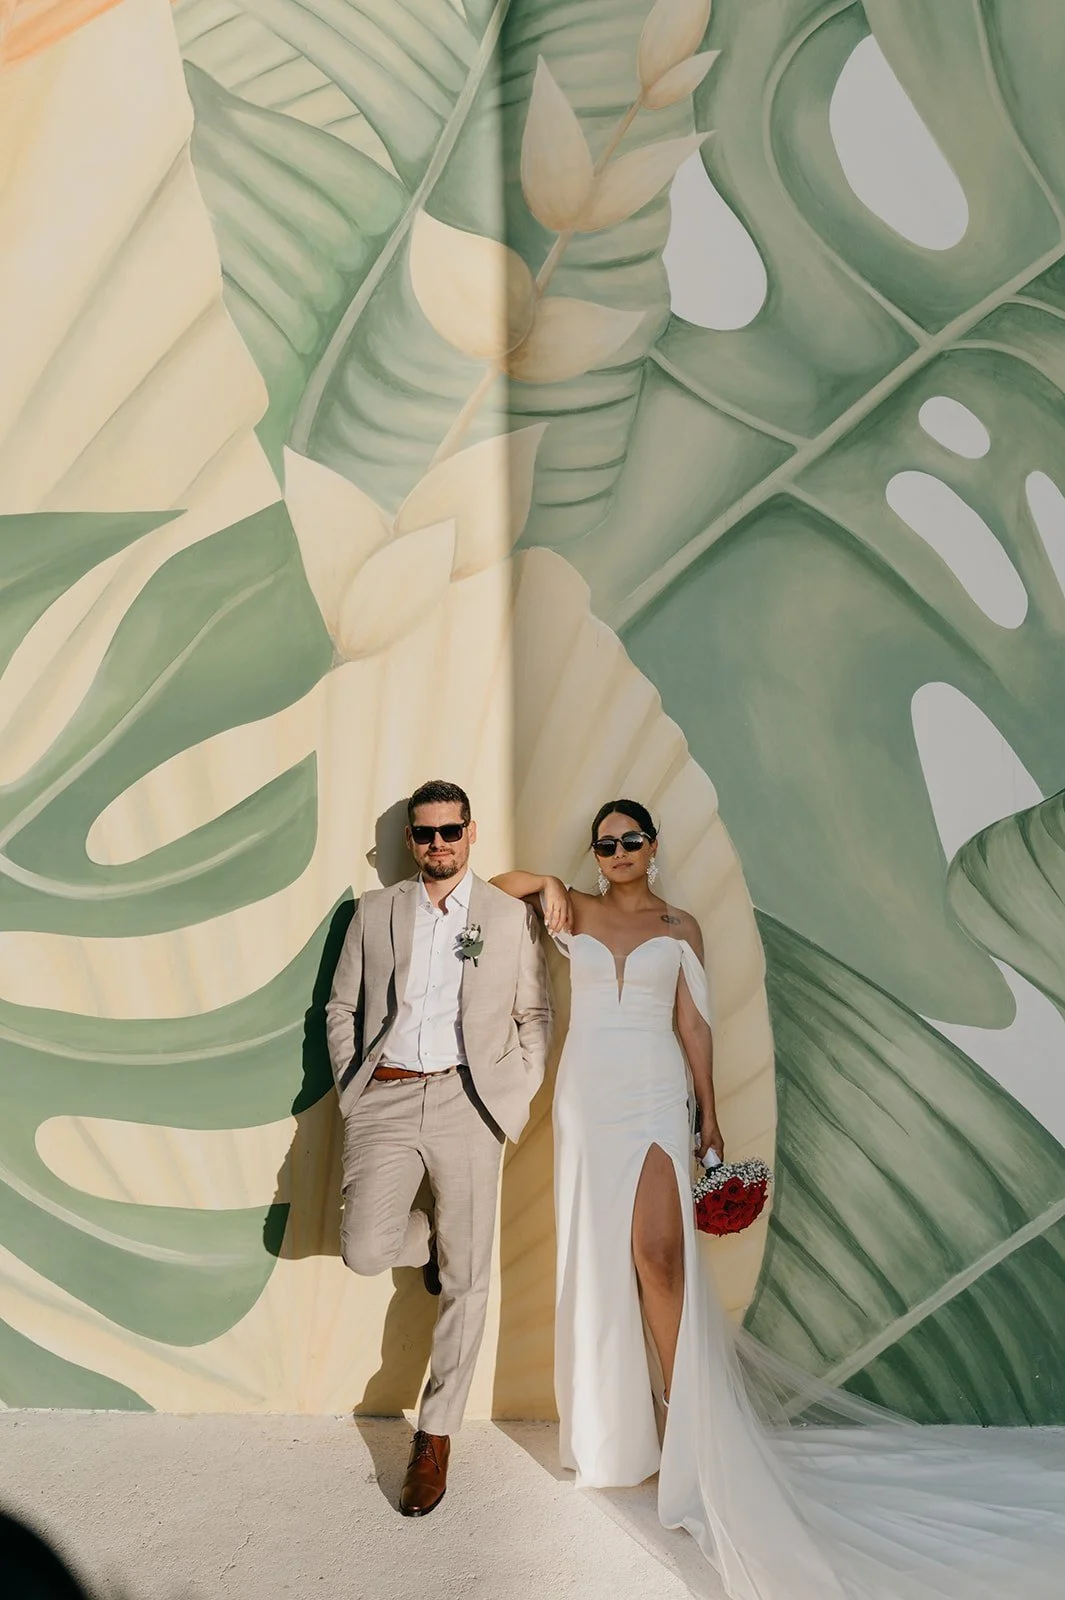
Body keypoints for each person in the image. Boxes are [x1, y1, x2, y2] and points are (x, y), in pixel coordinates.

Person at [493, 800, 1065, 1600]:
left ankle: (683, 1426)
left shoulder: (679, 925)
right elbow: (494, 889)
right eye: (605, 843)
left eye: (631, 840)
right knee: (595, 1259)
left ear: (652, 847)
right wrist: (547, 879)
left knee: (658, 1260)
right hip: (586, 1099)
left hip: (655, 1098)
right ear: (596, 855)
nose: (618, 851)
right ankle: (612, 1438)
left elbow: (694, 1028)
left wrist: (711, 1117)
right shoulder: (572, 909)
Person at [326, 780, 551, 1517]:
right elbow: (343, 1005)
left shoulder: (504, 918)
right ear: (409, 842)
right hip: (385, 1095)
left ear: (470, 831)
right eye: (423, 834)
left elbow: (532, 1013)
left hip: (469, 1101)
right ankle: (424, 1245)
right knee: (364, 1247)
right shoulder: (375, 911)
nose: (437, 844)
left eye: (449, 830)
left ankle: (434, 1436)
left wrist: (508, 1100)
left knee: (469, 1278)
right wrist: (352, 1088)